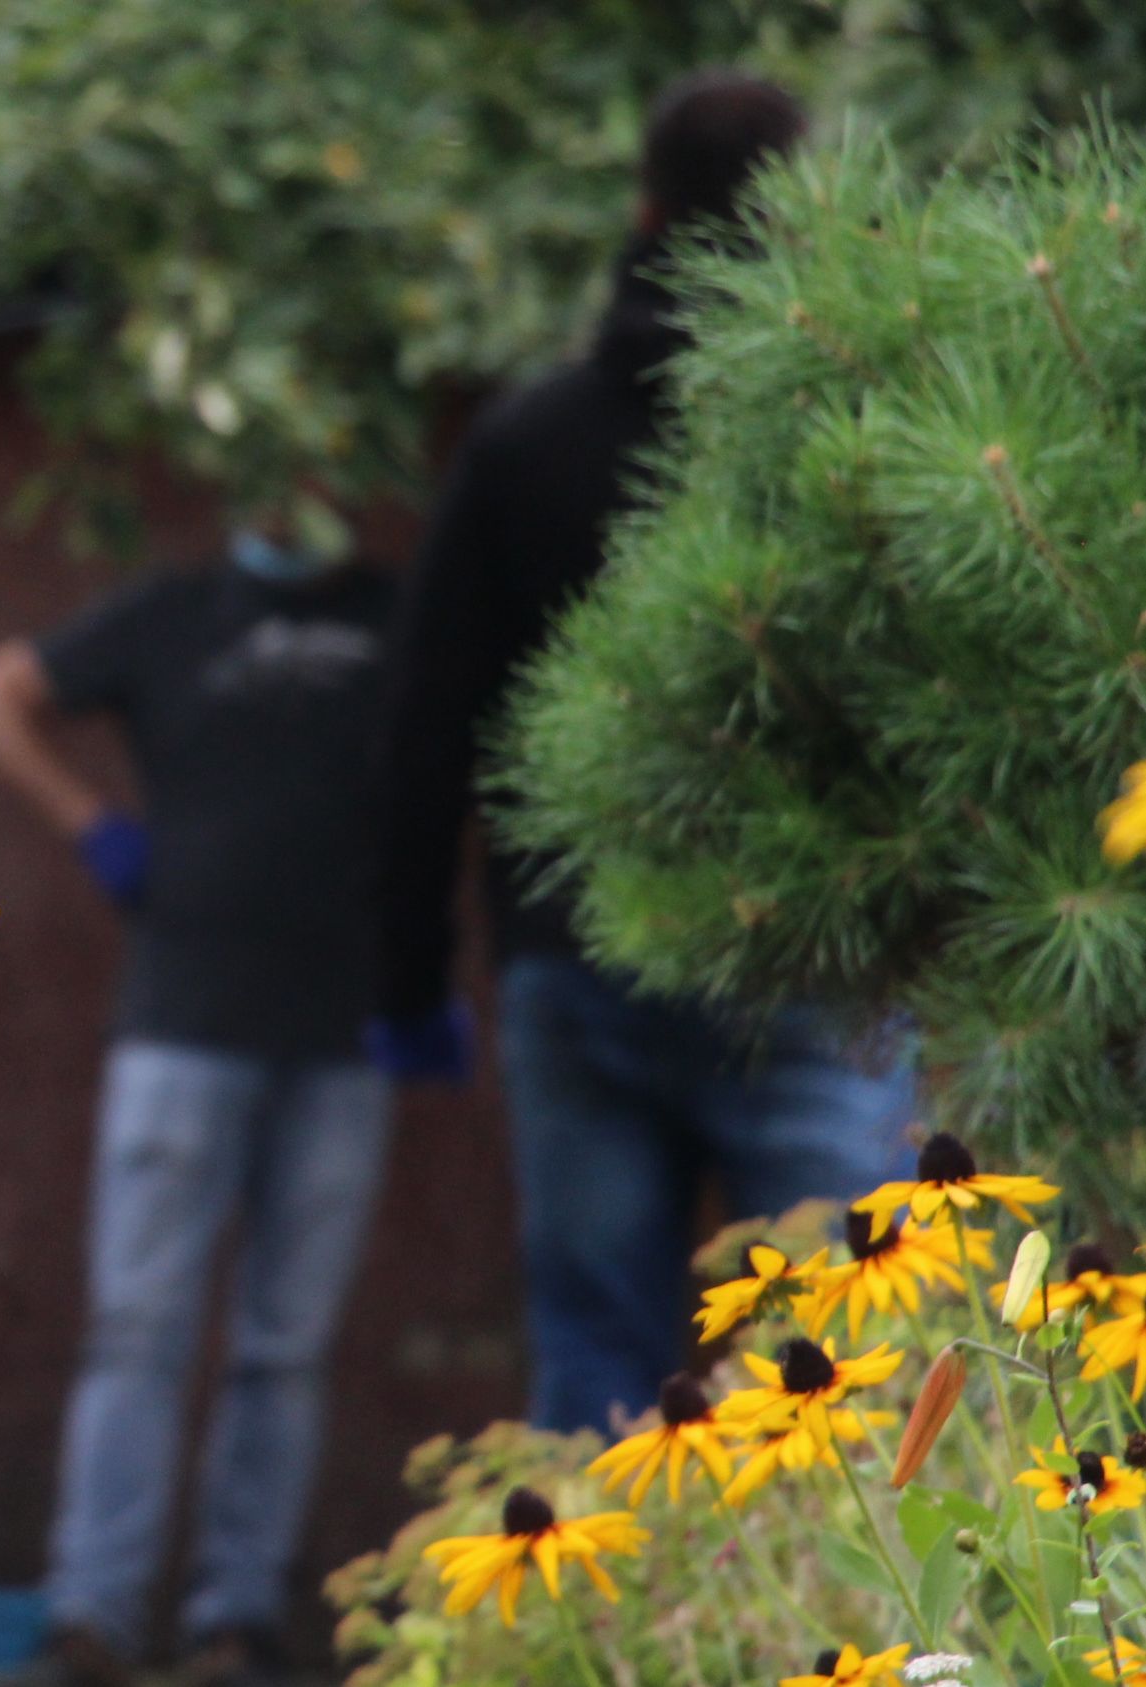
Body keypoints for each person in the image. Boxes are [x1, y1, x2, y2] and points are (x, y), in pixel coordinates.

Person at [365, 71, 915, 1434]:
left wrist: (407, 976)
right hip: (810, 960)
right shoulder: (857, 440)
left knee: (602, 1361)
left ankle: (592, 1643)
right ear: (802, 218)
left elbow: (430, 730)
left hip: (577, 955)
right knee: (840, 1352)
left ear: (645, 210)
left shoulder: (522, 446)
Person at [0, 524, 397, 1687]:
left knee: (284, 1347)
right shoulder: (172, 610)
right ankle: (90, 1622)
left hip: (347, 1032)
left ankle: (235, 1625)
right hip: (183, 1026)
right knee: (138, 1329)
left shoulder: (403, 617)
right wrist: (93, 826)